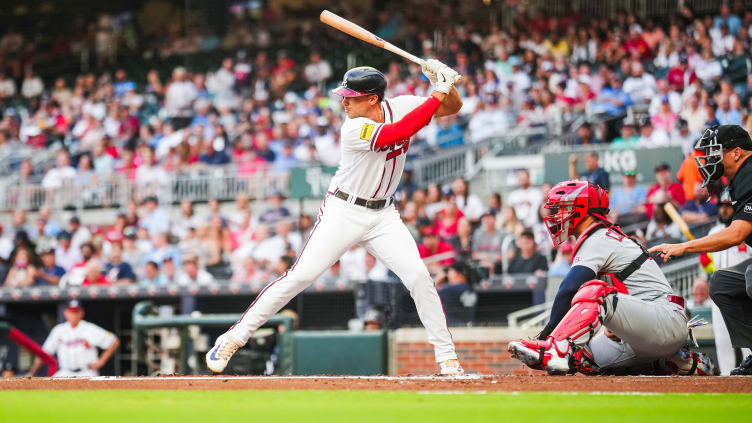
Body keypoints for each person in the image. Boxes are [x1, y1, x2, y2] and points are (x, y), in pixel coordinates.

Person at [206, 62, 465, 376]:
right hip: (344, 210)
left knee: (419, 277)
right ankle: (234, 337)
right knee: (300, 276)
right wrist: (437, 90)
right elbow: (401, 131)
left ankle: (447, 356)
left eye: (352, 96)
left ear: (373, 98)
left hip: (383, 214)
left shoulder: (405, 105)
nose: (344, 102)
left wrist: (444, 83)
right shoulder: (352, 127)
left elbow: (451, 107)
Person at [508, 180, 718, 376]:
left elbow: (569, 288)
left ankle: (557, 350)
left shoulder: (598, 237)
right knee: (582, 359)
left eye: (562, 208)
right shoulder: (602, 236)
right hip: (647, 329)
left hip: (665, 320)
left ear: (581, 209)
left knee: (594, 291)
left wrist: (547, 335)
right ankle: (675, 362)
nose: (555, 215)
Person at [650, 125, 752, 375]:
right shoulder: (741, 177)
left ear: (736, 152)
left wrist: (682, 246)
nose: (709, 159)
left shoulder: (750, 173)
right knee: (723, 283)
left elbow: (736, 233)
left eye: (716, 152)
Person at [697, 192, 752, 375]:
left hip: (743, 288)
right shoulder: (713, 232)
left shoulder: (746, 229)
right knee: (721, 337)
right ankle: (727, 376)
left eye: (728, 206)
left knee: (746, 335)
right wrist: (705, 266)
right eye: (721, 206)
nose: (724, 209)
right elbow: (709, 263)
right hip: (720, 290)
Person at [29, 300, 119, 377]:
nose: (74, 315)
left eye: (76, 312)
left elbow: (114, 341)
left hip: (87, 372)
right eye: (71, 312)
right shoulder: (58, 330)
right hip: (65, 372)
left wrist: (101, 361)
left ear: (82, 313)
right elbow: (44, 353)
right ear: (65, 313)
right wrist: (31, 373)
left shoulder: (89, 328)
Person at [436, 261, 477, 326]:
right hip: (468, 325)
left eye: (450, 271)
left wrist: (437, 280)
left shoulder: (450, 289)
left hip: (454, 327)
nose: (448, 274)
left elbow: (429, 295)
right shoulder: (471, 287)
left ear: (456, 273)